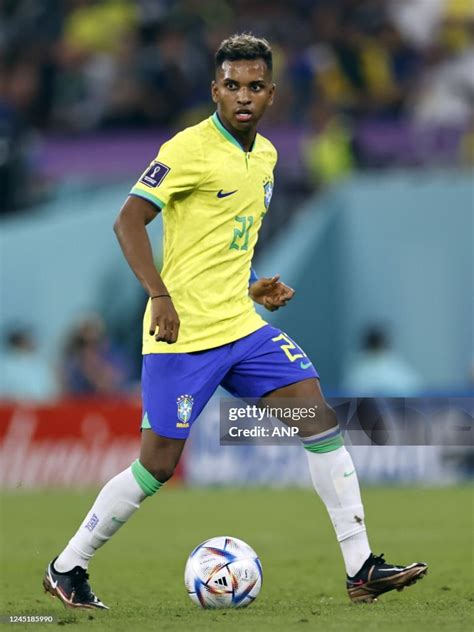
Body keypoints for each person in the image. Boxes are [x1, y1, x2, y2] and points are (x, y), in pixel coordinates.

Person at [43, 33, 427, 610]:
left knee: (319, 421)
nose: (242, 96)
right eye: (231, 86)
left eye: (253, 86)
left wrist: (252, 286)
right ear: (214, 90)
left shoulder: (267, 157)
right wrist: (158, 295)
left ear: (271, 93)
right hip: (182, 337)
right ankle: (67, 566)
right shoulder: (187, 149)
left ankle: (360, 567)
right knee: (158, 466)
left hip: (242, 330)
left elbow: (215, 247)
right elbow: (128, 221)